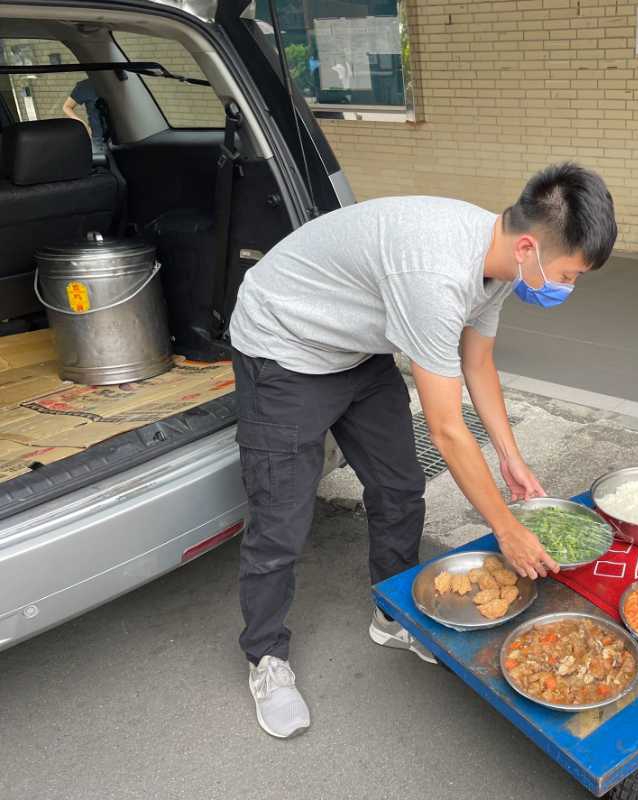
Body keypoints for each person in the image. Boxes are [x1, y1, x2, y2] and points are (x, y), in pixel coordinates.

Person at [226, 163, 617, 738]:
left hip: (358, 348)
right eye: (568, 274)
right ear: (531, 246)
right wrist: (506, 528)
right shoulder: (435, 276)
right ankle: (266, 658)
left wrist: (511, 455)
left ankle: (392, 614)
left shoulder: (504, 264)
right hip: (286, 347)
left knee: (401, 486)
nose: (567, 287)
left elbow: (477, 363)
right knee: (281, 517)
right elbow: (448, 431)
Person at [63, 78, 105, 152]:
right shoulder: (85, 85)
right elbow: (67, 107)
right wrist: (84, 125)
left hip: (126, 136)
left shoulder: (120, 82)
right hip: (99, 138)